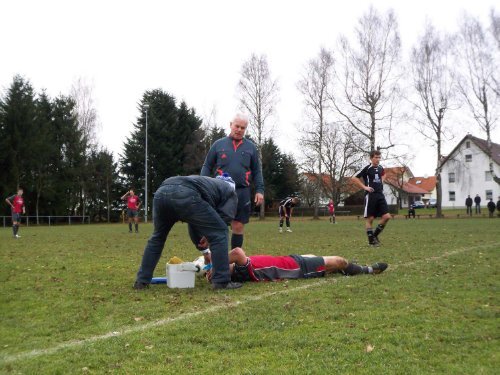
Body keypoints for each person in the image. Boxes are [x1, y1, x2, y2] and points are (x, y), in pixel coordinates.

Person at [133, 175, 242, 290]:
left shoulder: (207, 185)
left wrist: (205, 249)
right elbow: (224, 220)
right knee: (221, 232)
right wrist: (209, 237)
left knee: (157, 237)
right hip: (184, 192)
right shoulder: (230, 191)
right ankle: (221, 281)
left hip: (162, 192)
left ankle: (142, 281)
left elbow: (194, 222)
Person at [200, 113, 264, 249]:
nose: (239, 130)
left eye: (243, 127)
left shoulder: (251, 147)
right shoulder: (218, 144)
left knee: (238, 225)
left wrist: (259, 190)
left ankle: (236, 261)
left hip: (242, 191)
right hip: (220, 191)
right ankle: (214, 261)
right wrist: (202, 185)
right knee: (217, 225)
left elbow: (257, 171)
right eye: (237, 126)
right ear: (231, 125)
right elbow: (207, 166)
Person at [226, 247, 388, 283]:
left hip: (292, 259)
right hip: (299, 268)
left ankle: (341, 270)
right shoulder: (242, 270)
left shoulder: (239, 267)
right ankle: (366, 270)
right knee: (340, 261)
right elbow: (238, 252)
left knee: (316, 257)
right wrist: (215, 264)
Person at [353, 150, 391, 247]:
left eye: (379, 158)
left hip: (380, 195)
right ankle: (371, 241)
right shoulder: (367, 168)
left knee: (387, 216)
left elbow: (384, 174)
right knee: (370, 219)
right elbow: (354, 178)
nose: (378, 159)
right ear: (371, 158)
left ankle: (374, 236)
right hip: (371, 196)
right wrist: (365, 187)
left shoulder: (380, 168)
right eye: (376, 157)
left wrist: (382, 181)